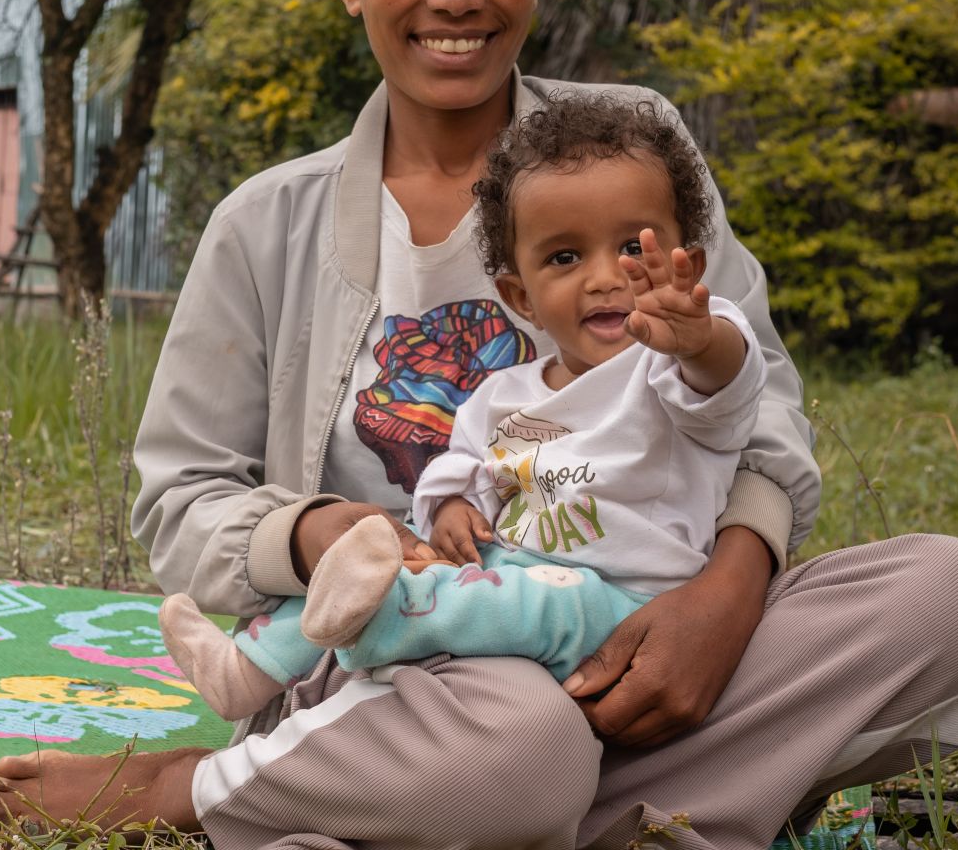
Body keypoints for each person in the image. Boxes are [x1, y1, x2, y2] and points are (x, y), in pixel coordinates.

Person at [0, 0, 958, 850]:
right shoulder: (266, 222)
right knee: (519, 742)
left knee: (949, 598)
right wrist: (316, 534)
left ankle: (450, 817)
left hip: (635, 643)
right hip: (416, 674)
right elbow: (178, 504)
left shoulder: (633, 149)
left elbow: (758, 401)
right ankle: (197, 788)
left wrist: (722, 598)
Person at [159, 95, 770, 721]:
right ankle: (246, 670)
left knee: (451, 597)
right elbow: (464, 466)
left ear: (686, 265)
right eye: (565, 257)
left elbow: (730, 383)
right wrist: (451, 505)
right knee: (380, 558)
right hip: (510, 572)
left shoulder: (674, 363)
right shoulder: (506, 392)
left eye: (633, 250)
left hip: (623, 601)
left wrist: (698, 336)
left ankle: (368, 637)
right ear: (520, 296)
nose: (605, 277)